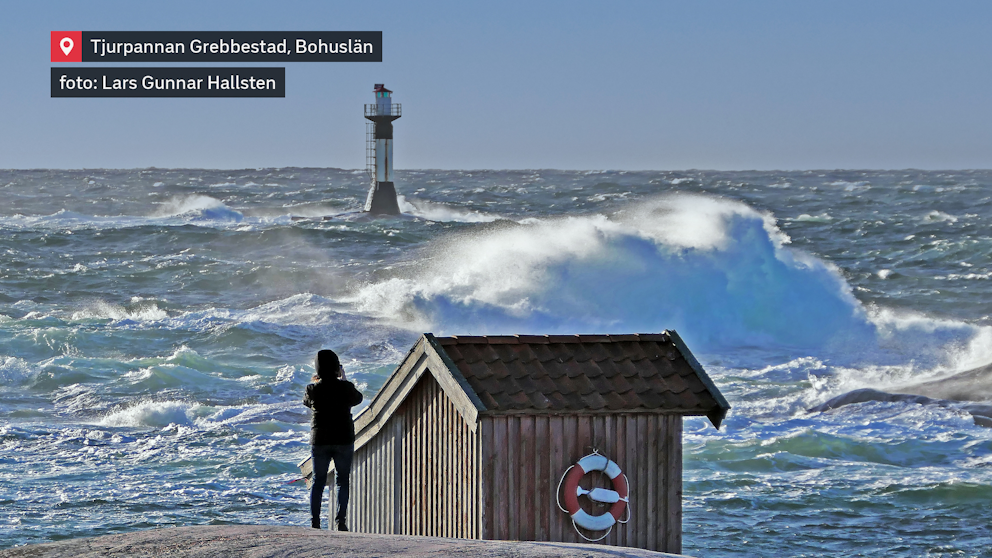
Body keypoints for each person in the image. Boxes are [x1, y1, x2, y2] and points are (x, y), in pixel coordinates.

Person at [303, 349, 363, 531]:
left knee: (318, 481)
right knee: (342, 481)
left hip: (319, 438)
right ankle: (340, 522)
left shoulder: (313, 389)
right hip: (343, 438)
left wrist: (319, 382)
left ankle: (315, 523)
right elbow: (358, 399)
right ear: (337, 367)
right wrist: (343, 380)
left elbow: (307, 402)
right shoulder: (346, 387)